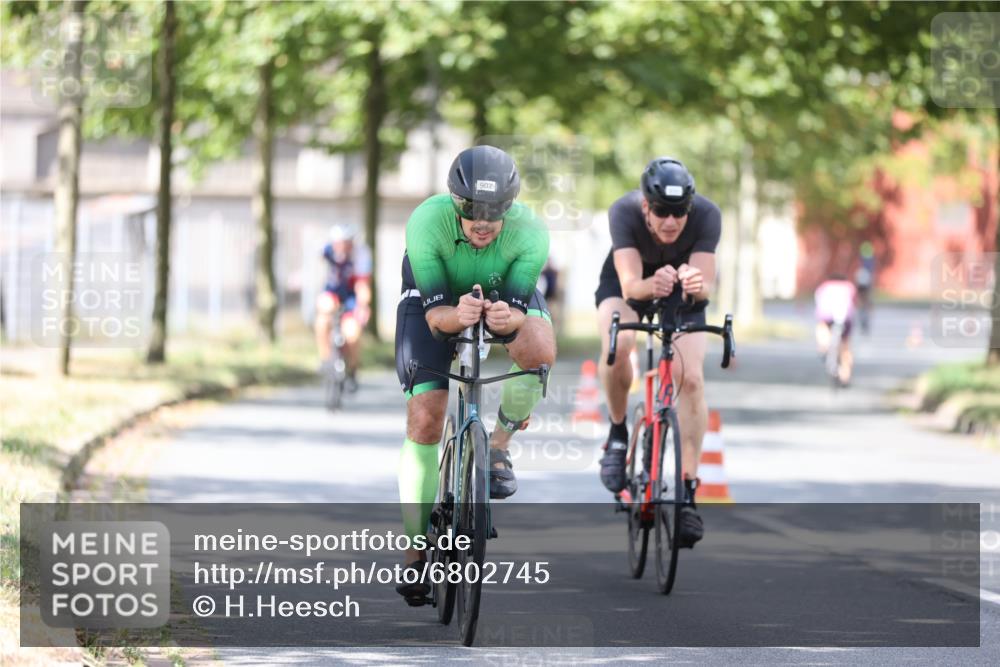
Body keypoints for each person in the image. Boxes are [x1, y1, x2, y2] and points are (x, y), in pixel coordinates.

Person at [394, 145, 555, 601]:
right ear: (454, 201)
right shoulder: (427, 222)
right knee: (425, 415)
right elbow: (435, 319)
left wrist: (512, 321)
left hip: (502, 290)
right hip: (438, 298)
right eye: (470, 209)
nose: (482, 221)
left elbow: (523, 318)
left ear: (510, 207)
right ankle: (414, 552)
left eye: (494, 211)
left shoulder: (530, 233)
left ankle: (499, 446)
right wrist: (457, 315)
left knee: (539, 354)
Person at [595, 157, 721, 549]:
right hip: (628, 286)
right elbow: (631, 286)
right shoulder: (624, 212)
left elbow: (706, 290)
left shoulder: (707, 216)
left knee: (692, 377)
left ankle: (686, 493)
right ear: (646, 206)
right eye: (662, 212)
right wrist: (655, 281)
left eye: (679, 212)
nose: (671, 222)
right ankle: (617, 435)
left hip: (681, 296)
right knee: (620, 347)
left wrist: (695, 285)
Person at [314, 223, 371, 389]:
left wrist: (363, 306)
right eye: (338, 243)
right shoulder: (327, 250)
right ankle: (325, 359)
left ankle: (352, 370)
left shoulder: (361, 254)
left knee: (353, 334)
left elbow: (363, 285)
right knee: (323, 319)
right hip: (333, 292)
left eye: (345, 244)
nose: (341, 248)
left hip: (351, 297)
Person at [814, 272, 858, 386]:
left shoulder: (825, 286)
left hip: (827, 315)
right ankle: (845, 375)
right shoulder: (849, 286)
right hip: (845, 317)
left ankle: (823, 347)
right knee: (845, 345)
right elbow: (854, 302)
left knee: (822, 326)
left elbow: (818, 301)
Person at [854, 241, 875, 334]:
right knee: (866, 301)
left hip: (862, 283)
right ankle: (866, 319)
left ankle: (863, 318)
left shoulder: (861, 261)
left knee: (862, 302)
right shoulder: (870, 261)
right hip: (866, 283)